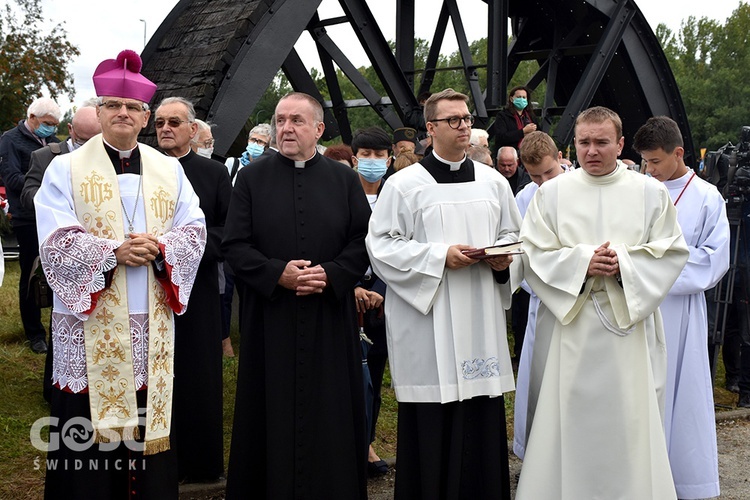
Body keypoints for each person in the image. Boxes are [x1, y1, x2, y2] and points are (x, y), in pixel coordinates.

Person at [35, 49, 206, 499]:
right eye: (113, 105)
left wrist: (161, 247)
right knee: (86, 443)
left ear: (146, 116)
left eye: (132, 107)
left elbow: (195, 229)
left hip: (150, 324)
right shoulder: (65, 168)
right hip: (91, 323)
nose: (123, 113)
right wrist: (114, 252)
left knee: (148, 434)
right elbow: (54, 239)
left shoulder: (169, 170)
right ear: (98, 110)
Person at [515, 106, 689, 499]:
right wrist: (582, 262)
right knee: (568, 421)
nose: (592, 151)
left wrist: (622, 264)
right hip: (569, 328)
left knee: (627, 421)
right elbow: (533, 254)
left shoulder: (650, 192)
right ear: (573, 144)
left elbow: (671, 251)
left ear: (621, 144)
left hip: (627, 330)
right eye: (584, 142)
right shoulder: (552, 193)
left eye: (602, 142)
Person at [366, 88, 522, 498]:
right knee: (432, 417)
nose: (464, 126)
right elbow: (381, 246)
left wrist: (505, 261)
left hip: (479, 315)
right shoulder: (403, 185)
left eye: (467, 119)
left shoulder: (493, 183)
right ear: (430, 128)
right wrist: (439, 258)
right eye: (453, 120)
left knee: (480, 414)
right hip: (428, 318)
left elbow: (515, 236)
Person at [222, 92, 371, 499]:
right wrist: (278, 274)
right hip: (271, 317)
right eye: (280, 120)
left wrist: (333, 274)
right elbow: (234, 245)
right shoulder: (251, 178)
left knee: (330, 410)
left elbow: (363, 241)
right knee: (268, 409)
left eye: (297, 121)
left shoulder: (343, 179)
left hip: (328, 315)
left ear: (319, 129)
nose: (286, 128)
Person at [633, 116, 729, 499]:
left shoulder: (707, 197)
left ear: (677, 153)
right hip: (637, 307)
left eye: (655, 162)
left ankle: (684, 482)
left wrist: (656, 270)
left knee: (681, 396)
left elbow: (713, 259)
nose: (649, 170)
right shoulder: (638, 191)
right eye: (644, 162)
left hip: (680, 310)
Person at [155, 96, 232, 483]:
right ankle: (156, 462)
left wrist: (179, 251)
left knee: (197, 374)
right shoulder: (140, 170)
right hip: (148, 288)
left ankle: (200, 464)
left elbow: (228, 232)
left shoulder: (214, 175)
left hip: (198, 289)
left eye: (174, 122)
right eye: (160, 123)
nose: (165, 128)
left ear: (193, 129)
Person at [510, 131, 569, 459]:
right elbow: (522, 251)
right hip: (540, 298)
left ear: (560, 157)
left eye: (549, 172)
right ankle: (534, 453)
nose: (544, 182)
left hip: (577, 297)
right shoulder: (524, 197)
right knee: (537, 377)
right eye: (535, 176)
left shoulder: (580, 187)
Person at [0, 96, 62, 353]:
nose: (52, 129)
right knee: (31, 275)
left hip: (54, 216)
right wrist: (45, 184)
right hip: (27, 217)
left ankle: (58, 326)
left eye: (55, 125)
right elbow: (11, 177)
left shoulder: (55, 144)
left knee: (56, 274)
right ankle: (35, 333)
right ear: (32, 117)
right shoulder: (10, 140)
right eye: (48, 123)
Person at [349, 126, 392, 477]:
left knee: (373, 376)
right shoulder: (341, 193)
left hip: (382, 298)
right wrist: (352, 286)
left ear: (389, 160)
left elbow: (398, 249)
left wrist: (380, 287)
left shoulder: (397, 197)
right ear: (354, 158)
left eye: (379, 156)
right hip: (346, 294)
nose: (373, 162)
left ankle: (367, 442)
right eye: (367, 155)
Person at [22, 101, 101, 210]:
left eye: (94, 140)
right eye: (82, 141)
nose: (87, 146)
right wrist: (59, 199)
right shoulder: (44, 156)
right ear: (70, 129)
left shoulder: (108, 155)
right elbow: (28, 195)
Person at [490, 85, 538, 152]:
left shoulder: (530, 116)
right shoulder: (503, 115)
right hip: (509, 154)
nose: (522, 99)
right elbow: (501, 137)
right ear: (511, 99)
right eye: (519, 97)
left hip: (528, 153)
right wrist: (523, 131)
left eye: (524, 97)